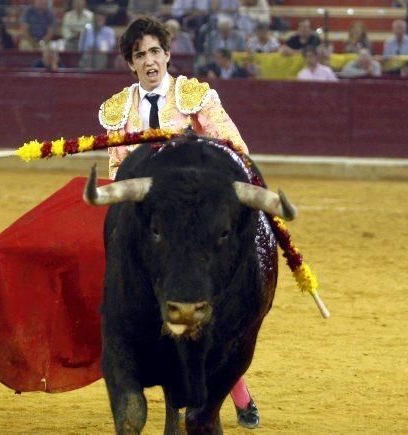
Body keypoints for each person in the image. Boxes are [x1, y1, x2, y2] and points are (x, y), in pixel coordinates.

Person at [97, 17, 259, 427]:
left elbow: (233, 148)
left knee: (219, 306)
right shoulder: (119, 110)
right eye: (140, 55)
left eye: (155, 52)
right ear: (130, 64)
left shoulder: (194, 97)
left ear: (168, 55)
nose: (149, 61)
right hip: (152, 222)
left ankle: (237, 391)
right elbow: (119, 174)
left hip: (198, 217)